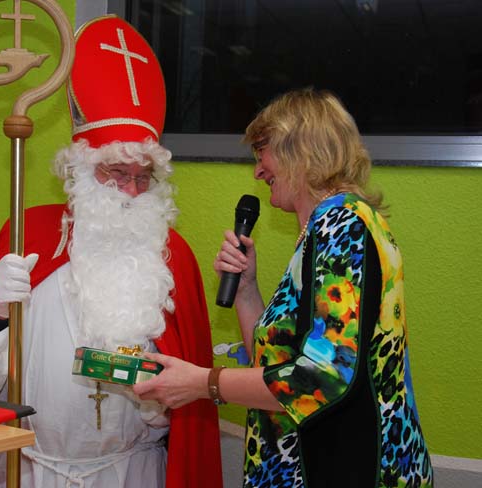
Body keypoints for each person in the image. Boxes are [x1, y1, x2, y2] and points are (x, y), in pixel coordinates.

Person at [0, 15, 222, 488]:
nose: (131, 191)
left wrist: (156, 401)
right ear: (83, 170)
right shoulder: (28, 234)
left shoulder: (172, 256)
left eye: (143, 177)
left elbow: (188, 406)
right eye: (117, 174)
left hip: (131, 473)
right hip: (30, 469)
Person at [134, 88, 434, 487]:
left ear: (301, 149)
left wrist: (204, 383)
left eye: (262, 152)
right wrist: (246, 291)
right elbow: (277, 363)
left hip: (344, 467)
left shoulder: (341, 226)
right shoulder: (329, 227)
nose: (258, 171)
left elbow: (323, 377)